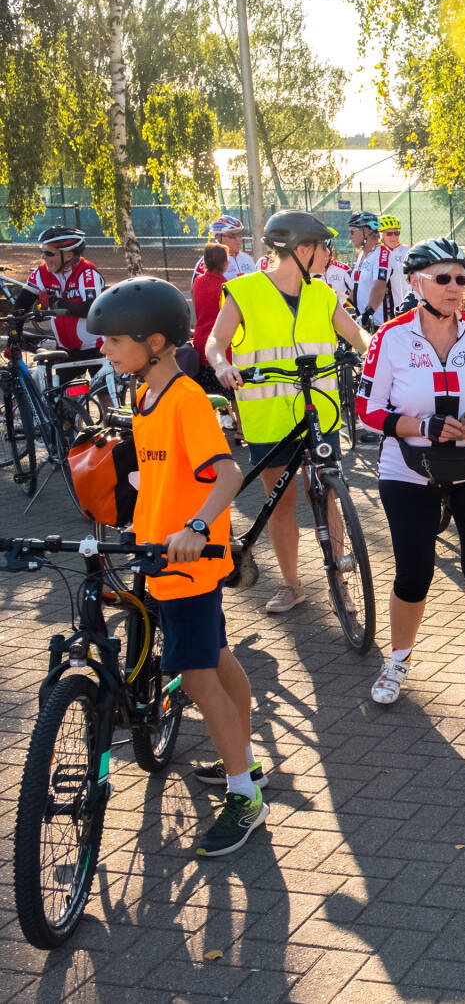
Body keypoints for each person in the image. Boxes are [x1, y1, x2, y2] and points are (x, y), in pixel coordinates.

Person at [86, 277, 268, 857]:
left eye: (116, 340)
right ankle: (246, 762)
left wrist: (195, 527)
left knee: (195, 676)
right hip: (160, 557)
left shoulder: (186, 398)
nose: (105, 349)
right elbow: (164, 476)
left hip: (188, 562)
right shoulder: (146, 396)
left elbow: (228, 475)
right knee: (216, 656)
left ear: (156, 342)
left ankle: (245, 798)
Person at [356, 238, 465, 703]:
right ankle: (397, 662)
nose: (455, 287)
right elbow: (367, 409)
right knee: (414, 573)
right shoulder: (391, 337)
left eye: (462, 278)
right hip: (409, 470)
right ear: (415, 282)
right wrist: (422, 427)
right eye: (443, 278)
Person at [205, 210, 370, 615]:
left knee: (328, 497)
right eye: (323, 247)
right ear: (301, 249)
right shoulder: (244, 290)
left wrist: (375, 354)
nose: (329, 254)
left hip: (319, 413)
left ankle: (340, 584)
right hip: (270, 418)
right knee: (281, 505)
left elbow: (355, 334)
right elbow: (215, 341)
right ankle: (292, 586)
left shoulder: (323, 293)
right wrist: (221, 365)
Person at [27, 227, 103, 359]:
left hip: (95, 349)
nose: (43, 256)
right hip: (65, 349)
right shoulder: (42, 272)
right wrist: (14, 332)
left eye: (49, 253)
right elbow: (23, 302)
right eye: (42, 251)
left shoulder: (86, 272)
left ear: (68, 254)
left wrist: (54, 303)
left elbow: (91, 309)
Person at [351, 213, 410, 330]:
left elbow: (380, 286)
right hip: (369, 318)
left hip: (389, 316)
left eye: (397, 233)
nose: (394, 237)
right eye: (389, 234)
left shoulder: (404, 250)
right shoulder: (365, 253)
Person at [190, 243, 230, 395]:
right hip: (222, 347)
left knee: (208, 395)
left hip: (201, 343)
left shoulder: (197, 282)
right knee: (231, 393)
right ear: (224, 263)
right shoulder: (226, 286)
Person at [191, 215, 259, 284]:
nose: (238, 239)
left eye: (240, 234)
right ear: (218, 237)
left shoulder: (247, 259)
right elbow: (196, 288)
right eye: (232, 235)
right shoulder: (208, 261)